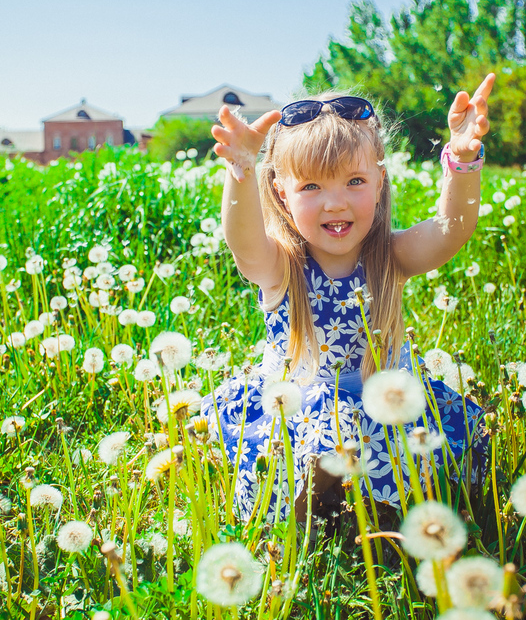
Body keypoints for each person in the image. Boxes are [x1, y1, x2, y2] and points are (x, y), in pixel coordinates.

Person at [201, 76, 495, 524]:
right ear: (281, 192)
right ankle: (317, 509)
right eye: (312, 188)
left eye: (354, 181)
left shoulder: (389, 256)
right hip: (300, 413)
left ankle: (378, 511)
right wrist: (240, 169)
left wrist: (463, 161)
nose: (334, 203)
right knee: (323, 427)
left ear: (380, 182)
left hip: (387, 406)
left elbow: (451, 230)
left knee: (431, 459)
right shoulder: (282, 266)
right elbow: (243, 244)